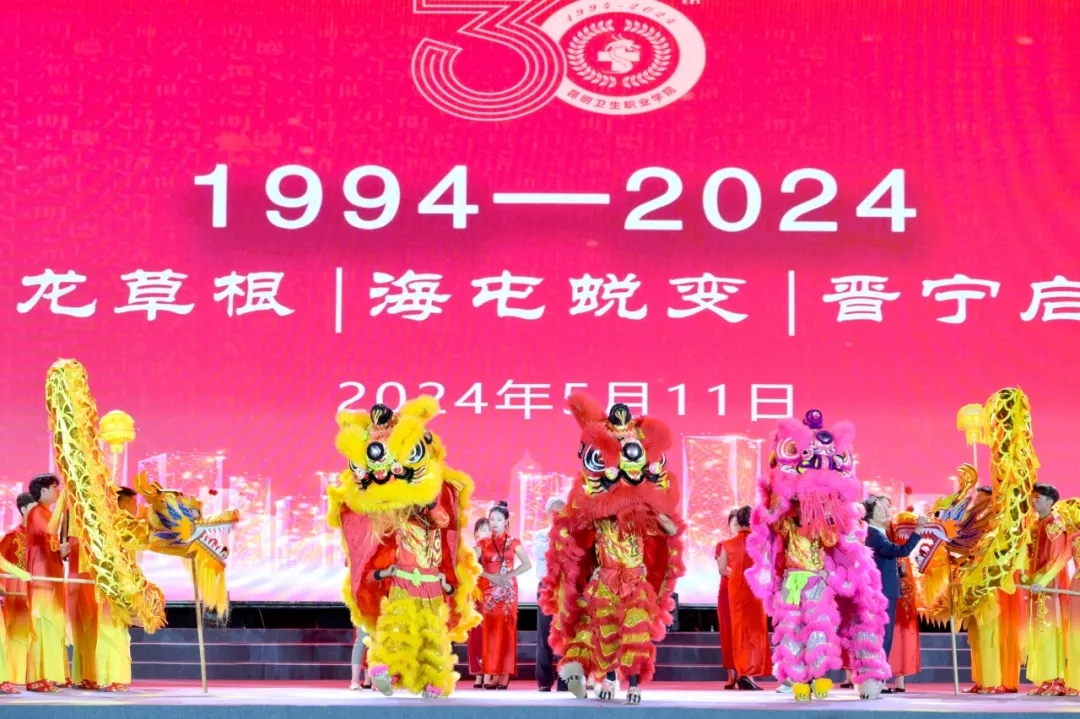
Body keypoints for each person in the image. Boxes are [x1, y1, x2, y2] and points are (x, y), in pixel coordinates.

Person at [538, 396, 685, 705]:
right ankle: (604, 678)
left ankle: (633, 684)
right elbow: (579, 527)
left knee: (635, 631)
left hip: (633, 581)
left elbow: (670, 531)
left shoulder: (642, 518)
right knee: (603, 629)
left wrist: (655, 512)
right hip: (605, 580)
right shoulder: (600, 515)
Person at [863, 495, 924, 693]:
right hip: (879, 593)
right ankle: (873, 679)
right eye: (881, 509)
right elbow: (902, 550)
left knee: (886, 636)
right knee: (879, 636)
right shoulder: (872, 535)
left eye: (887, 508)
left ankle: (878, 680)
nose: (886, 512)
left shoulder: (880, 533)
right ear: (870, 515)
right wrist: (918, 531)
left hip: (887, 591)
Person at [477, 501, 531, 690]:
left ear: (506, 521)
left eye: (499, 519)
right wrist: (489, 576)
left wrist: (507, 576)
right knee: (490, 631)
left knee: (507, 630)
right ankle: (490, 672)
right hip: (489, 590)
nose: (494, 523)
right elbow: (471, 566)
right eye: (491, 519)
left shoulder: (514, 542)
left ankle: (504, 674)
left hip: (508, 591)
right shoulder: (482, 543)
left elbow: (527, 564)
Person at [1024, 483, 1069, 696]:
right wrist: (1027, 576)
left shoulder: (1055, 525)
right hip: (1036, 586)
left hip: (1051, 587)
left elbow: (1058, 559)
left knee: (1052, 630)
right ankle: (1045, 678)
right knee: (1039, 631)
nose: (1033, 501)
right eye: (1032, 497)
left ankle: (1058, 680)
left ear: (1050, 502)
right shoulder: (1036, 524)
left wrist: (1043, 581)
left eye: (1038, 498)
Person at [25, 474, 69, 692]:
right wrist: (62, 503)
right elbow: (51, 530)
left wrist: (63, 550)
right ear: (42, 490)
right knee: (41, 626)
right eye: (54, 487)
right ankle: (36, 677)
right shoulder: (36, 512)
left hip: (52, 574)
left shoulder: (48, 514)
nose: (57, 491)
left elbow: (52, 544)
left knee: (53, 626)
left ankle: (50, 675)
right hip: (41, 576)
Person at [716, 506, 767, 690]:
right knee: (754, 630)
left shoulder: (727, 544)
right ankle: (747, 674)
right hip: (754, 588)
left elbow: (722, 569)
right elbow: (766, 565)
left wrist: (738, 574)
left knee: (738, 630)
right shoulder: (760, 541)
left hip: (735, 589)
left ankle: (741, 673)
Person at [0, 493, 35, 686]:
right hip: (16, 587)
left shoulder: (43, 537)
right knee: (14, 632)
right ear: (23, 510)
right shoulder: (12, 536)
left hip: (36, 588)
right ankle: (13, 676)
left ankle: (32, 676)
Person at [533, 497, 567, 692]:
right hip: (546, 587)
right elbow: (543, 553)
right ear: (547, 514)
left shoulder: (573, 535)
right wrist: (559, 540)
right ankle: (544, 680)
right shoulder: (541, 535)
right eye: (554, 511)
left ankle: (565, 680)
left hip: (566, 588)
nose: (558, 514)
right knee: (544, 633)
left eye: (561, 511)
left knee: (565, 633)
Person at [886, 509, 922, 692]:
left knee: (898, 632)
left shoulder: (900, 528)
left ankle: (898, 680)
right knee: (890, 633)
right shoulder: (878, 534)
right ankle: (891, 680)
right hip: (893, 587)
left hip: (902, 588)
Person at [716, 509, 738, 689]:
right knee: (727, 632)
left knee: (742, 633)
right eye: (734, 524)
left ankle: (745, 672)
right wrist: (741, 575)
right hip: (727, 592)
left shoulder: (750, 544)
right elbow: (723, 569)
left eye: (740, 524)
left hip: (745, 594)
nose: (737, 528)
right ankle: (731, 674)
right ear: (729, 526)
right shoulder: (722, 545)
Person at [467, 518, 490, 688]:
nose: (486, 533)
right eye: (483, 529)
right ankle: (477, 673)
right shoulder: (471, 551)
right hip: (475, 594)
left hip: (491, 594)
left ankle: (488, 671)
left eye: (489, 530)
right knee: (475, 633)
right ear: (476, 533)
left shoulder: (496, 549)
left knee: (488, 634)